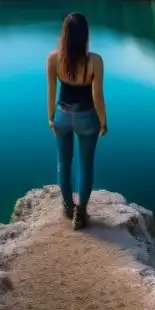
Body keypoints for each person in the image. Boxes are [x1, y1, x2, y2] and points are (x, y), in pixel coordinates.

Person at [46, 12, 107, 230]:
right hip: (86, 118)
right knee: (86, 165)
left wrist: (50, 118)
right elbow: (97, 96)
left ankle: (67, 206)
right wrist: (103, 122)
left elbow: (52, 90)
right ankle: (80, 214)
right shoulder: (95, 61)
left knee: (63, 163)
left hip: (62, 115)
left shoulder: (54, 58)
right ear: (85, 35)